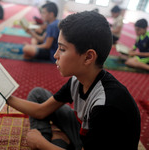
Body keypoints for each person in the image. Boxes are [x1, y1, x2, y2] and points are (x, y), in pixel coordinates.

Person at [7, 11, 141, 150]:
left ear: (88, 57)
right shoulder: (78, 80)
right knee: (37, 94)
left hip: (95, 140)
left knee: (43, 141)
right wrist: (6, 97)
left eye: (62, 49)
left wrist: (41, 144)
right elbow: (41, 111)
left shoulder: (106, 105)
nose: (55, 55)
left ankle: (53, 140)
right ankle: (55, 138)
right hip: (84, 130)